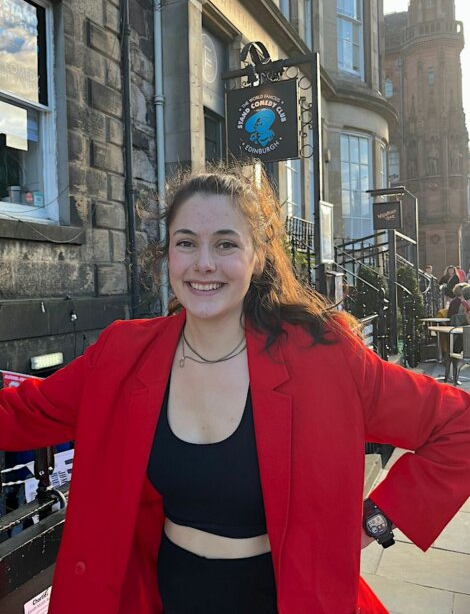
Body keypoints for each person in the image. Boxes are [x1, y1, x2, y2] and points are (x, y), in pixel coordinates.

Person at [0, 165, 469, 614]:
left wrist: (377, 518)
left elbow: (458, 423)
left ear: (257, 255)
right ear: (168, 254)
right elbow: (24, 413)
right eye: (187, 243)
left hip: (281, 598)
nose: (204, 264)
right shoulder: (124, 354)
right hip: (167, 595)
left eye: (225, 244)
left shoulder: (324, 356)